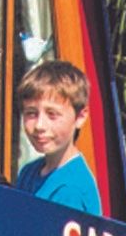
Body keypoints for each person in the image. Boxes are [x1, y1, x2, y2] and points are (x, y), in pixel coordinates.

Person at [14, 58, 104, 215]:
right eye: (31, 113)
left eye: (52, 114)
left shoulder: (71, 191)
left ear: (80, 117)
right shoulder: (29, 172)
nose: (39, 126)